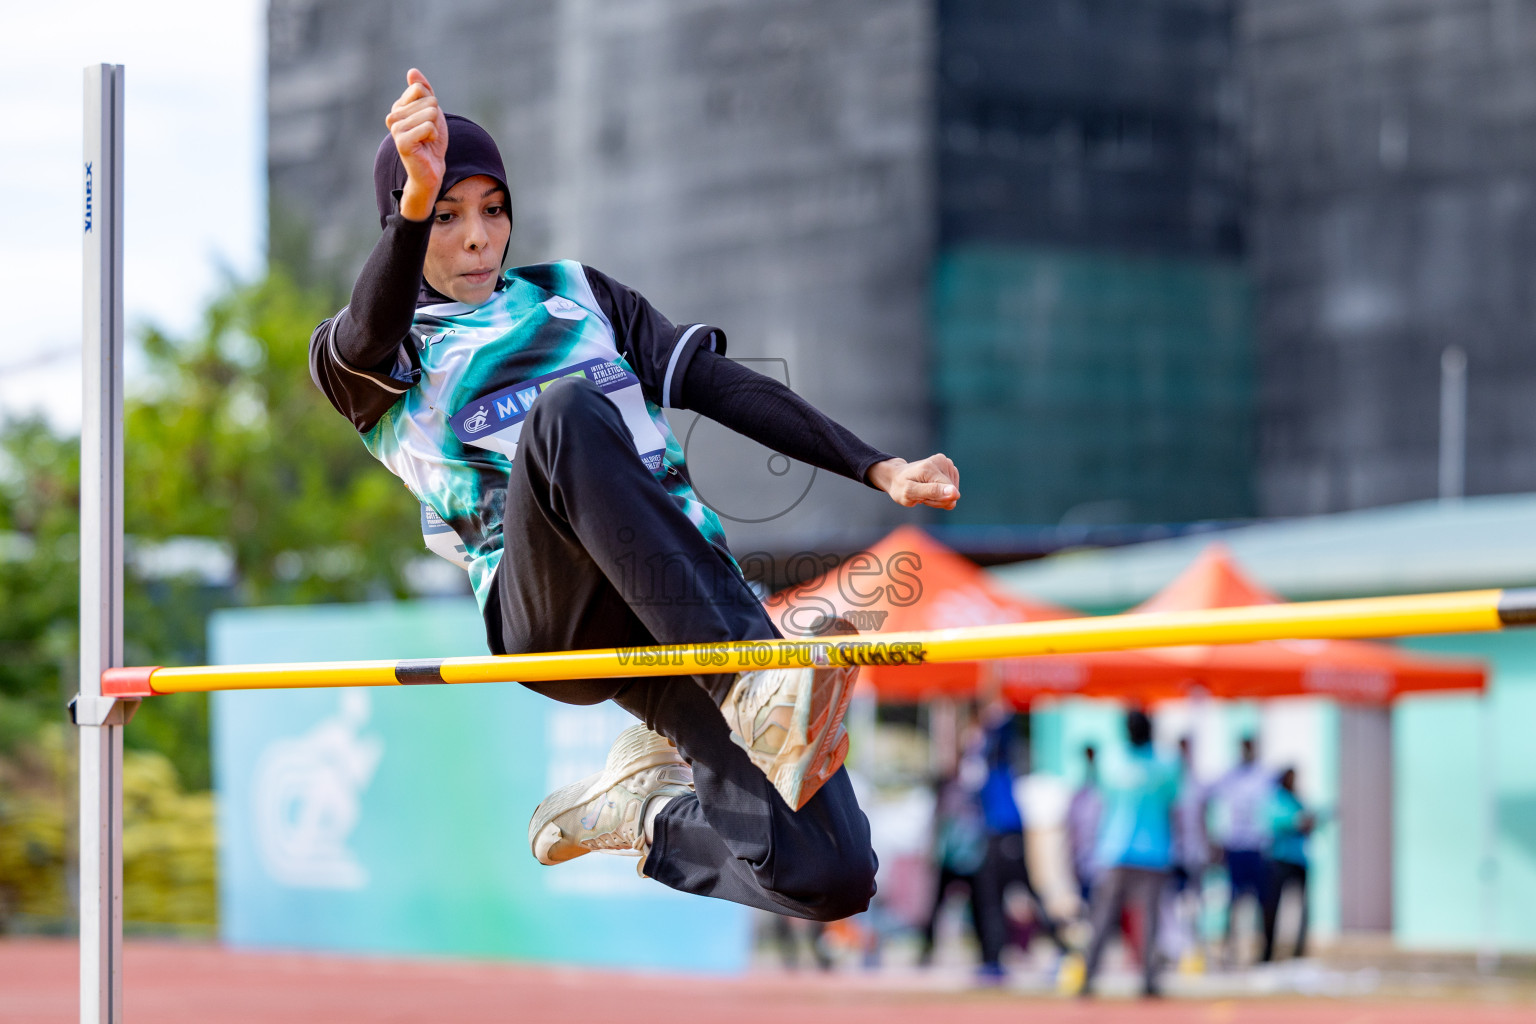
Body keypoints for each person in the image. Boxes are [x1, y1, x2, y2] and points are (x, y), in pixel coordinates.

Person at [308, 70, 963, 921]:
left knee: (832, 873)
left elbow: (719, 386)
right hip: (549, 609)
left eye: (492, 210)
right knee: (567, 413)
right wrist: (412, 200)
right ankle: (750, 687)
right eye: (446, 216)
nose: (477, 239)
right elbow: (367, 333)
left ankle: (644, 814)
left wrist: (877, 467)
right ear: (404, 225)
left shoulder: (576, 295)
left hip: (679, 602)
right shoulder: (382, 357)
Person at [1079, 710, 1180, 999]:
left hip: (1115, 849)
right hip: (1154, 850)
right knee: (1147, 921)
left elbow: (1101, 802)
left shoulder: (1111, 762)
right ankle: (1148, 979)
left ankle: (1089, 976)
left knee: (1103, 918)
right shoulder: (1166, 765)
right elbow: (1174, 805)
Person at [968, 698, 1069, 980]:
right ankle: (993, 959)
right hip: (995, 833)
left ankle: (1060, 947)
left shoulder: (998, 757)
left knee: (1021, 894)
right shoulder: (984, 764)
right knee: (993, 899)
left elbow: (1004, 732)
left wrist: (997, 714)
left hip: (1007, 832)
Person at [917, 768, 989, 968]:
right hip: (956, 858)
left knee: (975, 909)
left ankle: (986, 951)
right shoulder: (960, 797)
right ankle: (927, 948)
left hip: (964, 859)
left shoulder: (962, 796)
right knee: (940, 908)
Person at [1212, 735, 1274, 963]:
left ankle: (1263, 951)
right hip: (1235, 846)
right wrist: (1213, 838)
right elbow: (1207, 797)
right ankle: (1229, 949)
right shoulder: (1230, 776)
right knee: (1233, 900)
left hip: (1257, 846)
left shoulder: (1265, 777)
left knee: (1262, 902)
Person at [1260, 767, 1316, 962]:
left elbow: (1308, 825)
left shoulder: (1297, 800)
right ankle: (1268, 951)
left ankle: (1298, 951)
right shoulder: (1276, 799)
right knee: (1273, 906)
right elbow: (1274, 821)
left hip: (1299, 859)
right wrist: (1297, 823)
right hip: (1280, 858)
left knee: (1303, 908)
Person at [1168, 736, 1212, 967]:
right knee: (1173, 906)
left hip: (1194, 854)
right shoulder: (1170, 781)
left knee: (1194, 905)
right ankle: (1175, 950)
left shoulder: (1196, 783)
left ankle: (1193, 950)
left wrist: (1208, 846)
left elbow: (1204, 818)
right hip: (1174, 854)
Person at [1065, 744, 1103, 916]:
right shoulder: (1080, 794)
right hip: (1085, 859)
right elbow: (1072, 829)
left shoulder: (1104, 791)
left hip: (1100, 861)